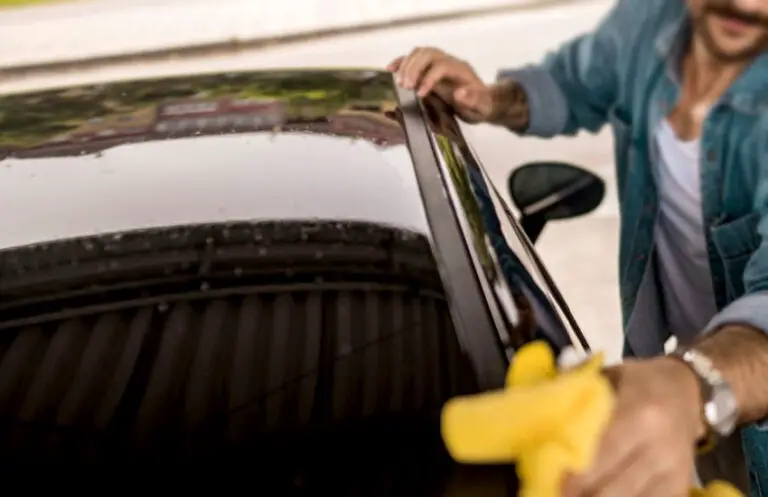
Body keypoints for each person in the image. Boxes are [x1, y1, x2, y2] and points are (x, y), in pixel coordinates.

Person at [388, 0, 768, 496]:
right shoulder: (650, 20)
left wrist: (690, 386)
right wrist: (488, 98)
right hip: (684, 385)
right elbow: (569, 86)